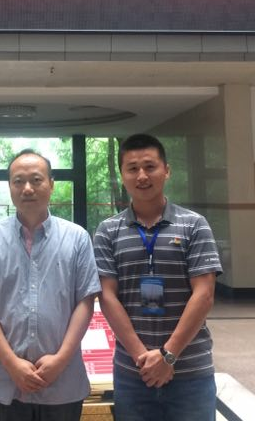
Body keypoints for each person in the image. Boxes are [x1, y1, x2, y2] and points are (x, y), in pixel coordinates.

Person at [0, 149, 101, 421]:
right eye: (18, 181)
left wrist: (60, 360)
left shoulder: (77, 238)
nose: (27, 188)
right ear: (10, 187)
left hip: (63, 382)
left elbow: (85, 302)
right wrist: (12, 363)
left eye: (36, 180)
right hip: (6, 381)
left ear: (51, 184)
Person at [93, 134, 222, 421]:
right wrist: (144, 358)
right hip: (132, 374)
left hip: (190, 372)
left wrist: (167, 356)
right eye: (132, 168)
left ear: (167, 170)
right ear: (122, 175)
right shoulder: (108, 231)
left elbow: (204, 294)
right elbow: (107, 296)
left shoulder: (194, 225)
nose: (142, 176)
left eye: (150, 167)